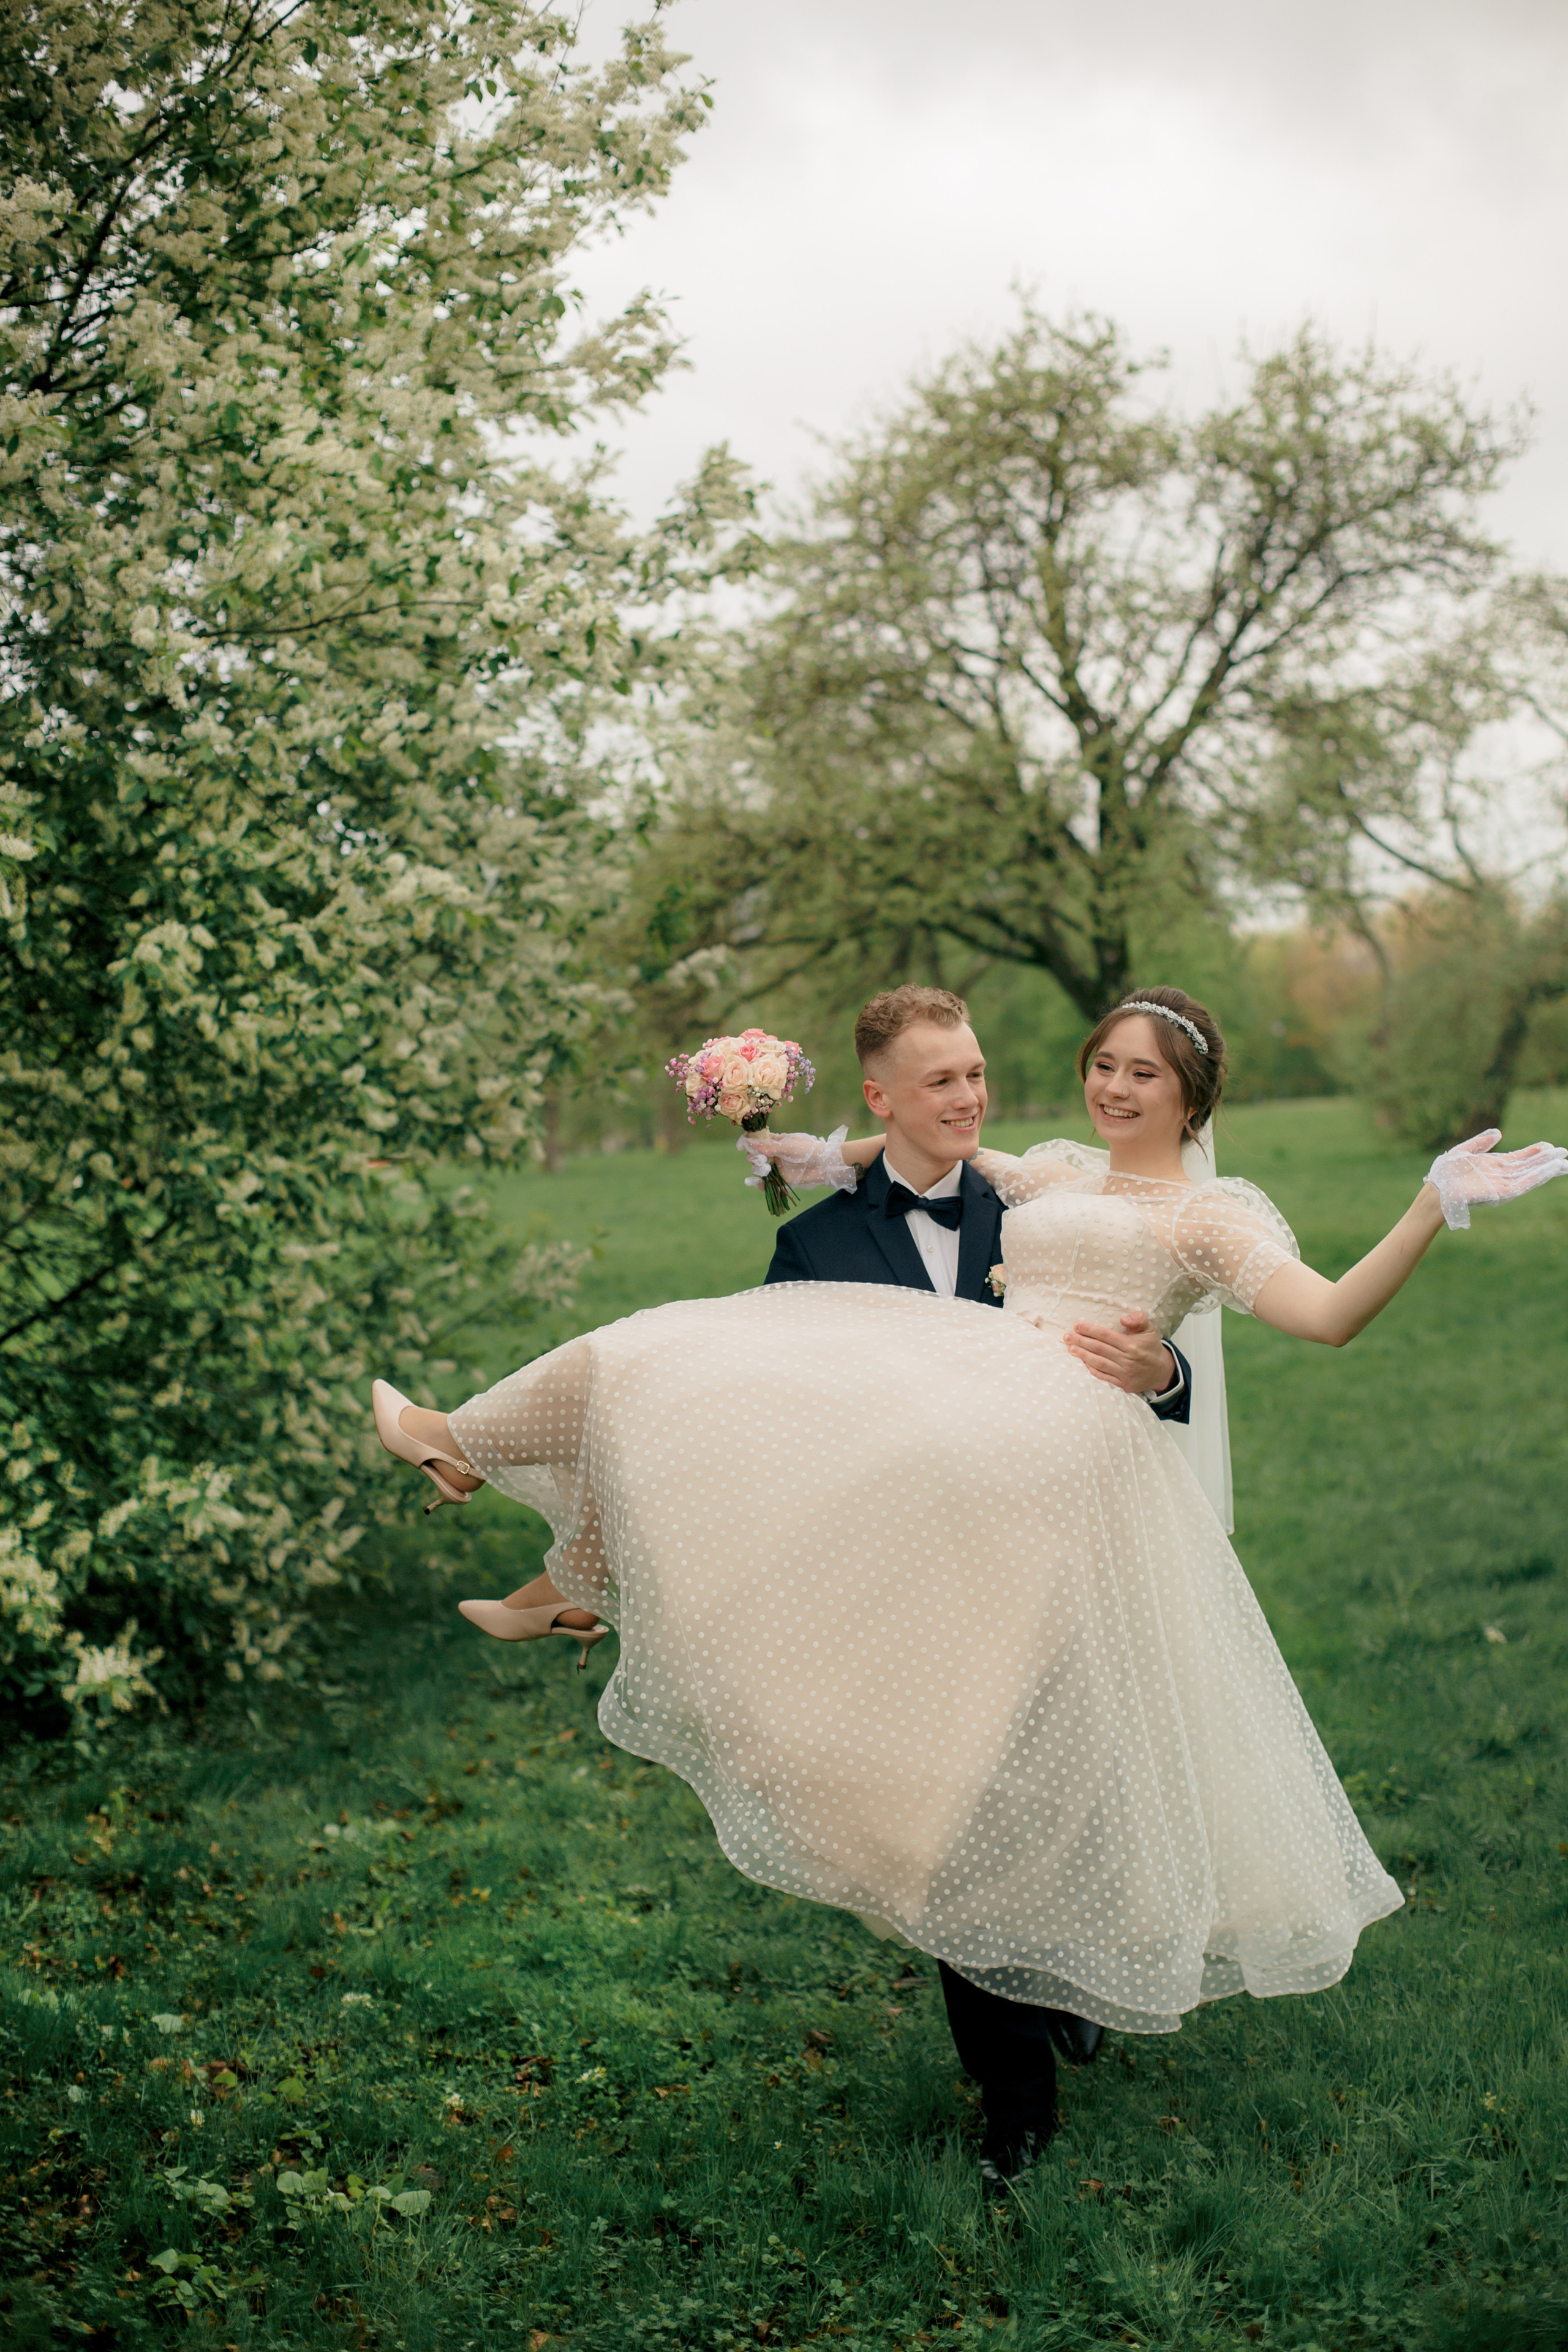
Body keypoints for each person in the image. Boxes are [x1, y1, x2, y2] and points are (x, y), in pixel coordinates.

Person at [369, 986, 1565, 2190]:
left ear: (1191, 1097)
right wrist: (806, 1151)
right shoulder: (1042, 1175)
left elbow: (1326, 1316)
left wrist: (1426, 1204)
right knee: (664, 1352)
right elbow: (898, 1149)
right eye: (1101, 1064)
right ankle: (483, 1466)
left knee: (1037, 1797)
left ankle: (558, 1554)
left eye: (1141, 1075)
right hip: (934, 1475)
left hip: (1062, 1493)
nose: (1110, 1087)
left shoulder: (1205, 1220)